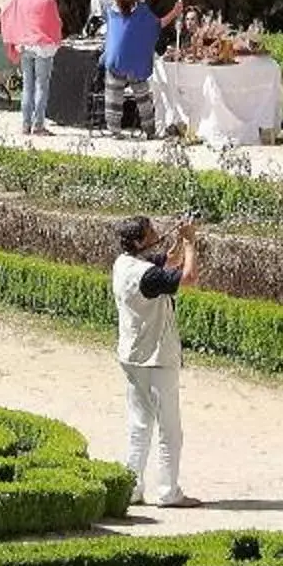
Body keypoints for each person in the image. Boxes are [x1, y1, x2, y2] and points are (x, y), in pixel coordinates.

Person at [110, 215, 201, 509]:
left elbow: (165, 262)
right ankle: (168, 492)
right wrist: (190, 243)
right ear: (138, 242)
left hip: (132, 355)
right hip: (157, 358)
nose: (156, 234)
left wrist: (175, 242)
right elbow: (187, 276)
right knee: (169, 429)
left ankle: (133, 488)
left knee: (139, 425)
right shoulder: (147, 276)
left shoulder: (123, 264)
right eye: (151, 233)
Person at [99, 0, 179, 138]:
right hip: (136, 61)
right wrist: (175, 12)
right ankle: (150, 131)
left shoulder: (110, 11)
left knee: (113, 97)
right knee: (143, 98)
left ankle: (114, 130)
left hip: (115, 59)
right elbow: (158, 25)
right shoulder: (141, 11)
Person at [0, 0, 65, 135]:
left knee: (27, 86)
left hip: (24, 45)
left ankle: (25, 124)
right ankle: (38, 125)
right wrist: (57, 39)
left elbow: (6, 13)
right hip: (43, 46)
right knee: (41, 86)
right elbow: (55, 23)